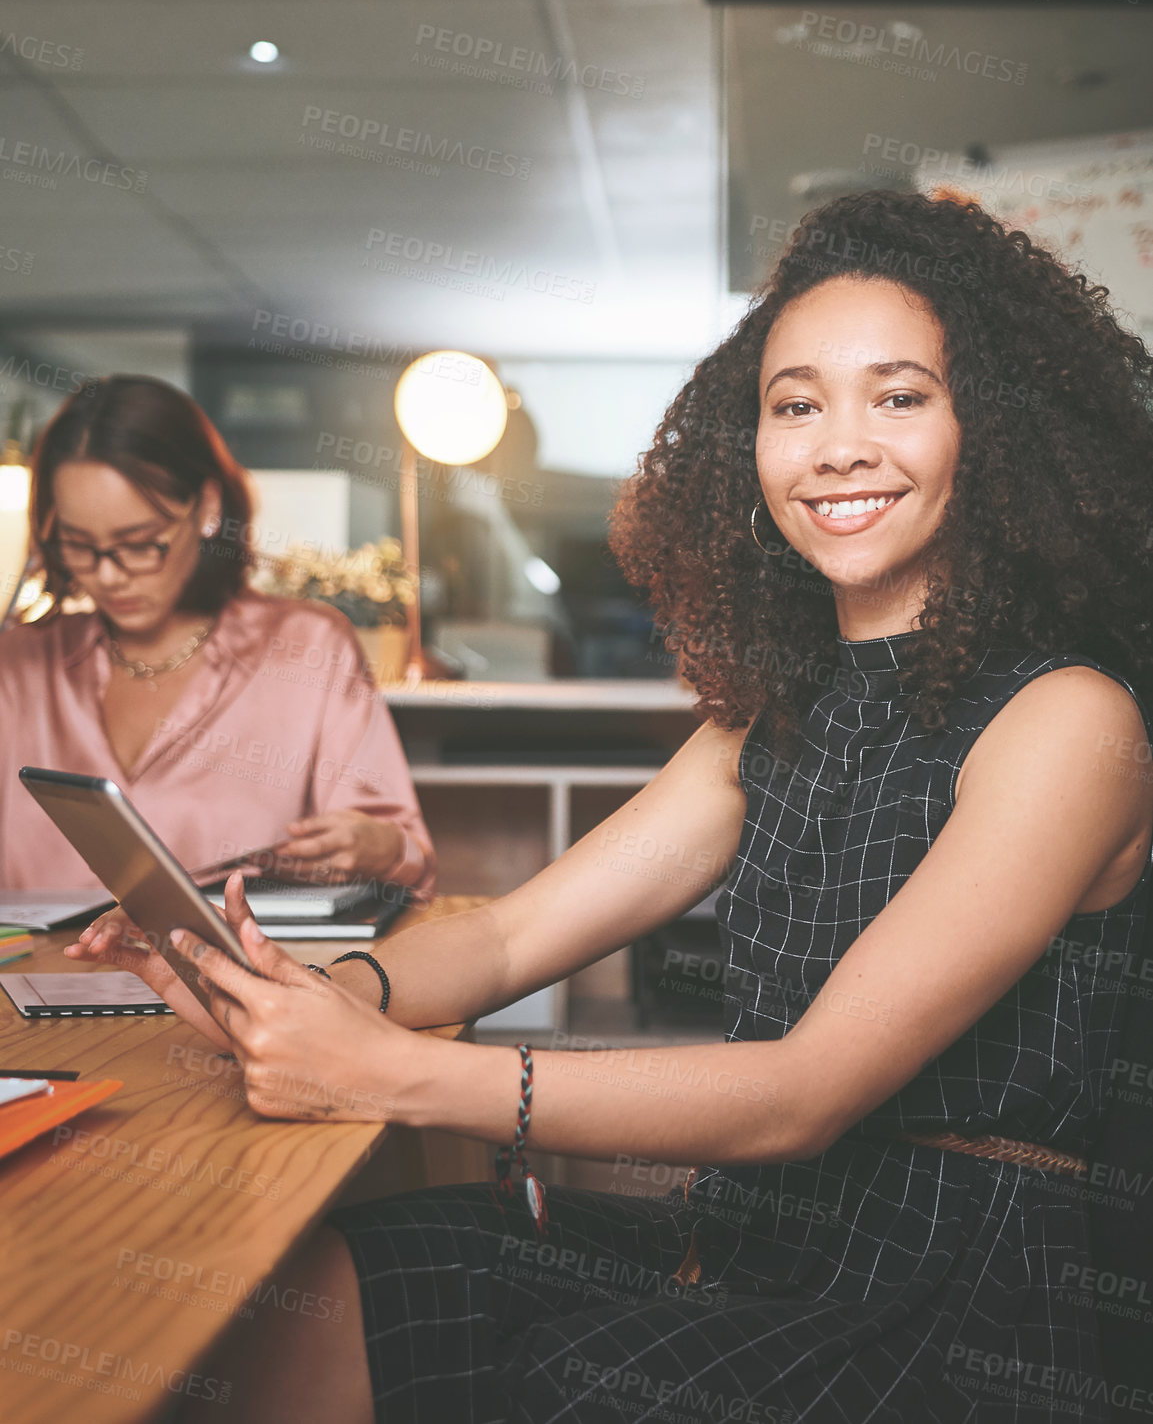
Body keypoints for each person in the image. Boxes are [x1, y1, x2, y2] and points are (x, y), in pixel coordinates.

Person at [72, 192, 1153, 1424]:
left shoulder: (1069, 723)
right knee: (325, 1283)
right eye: (795, 404)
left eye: (899, 396)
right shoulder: (771, 714)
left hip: (947, 1313)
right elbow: (507, 939)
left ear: (995, 431)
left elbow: (803, 1093)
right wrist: (300, 998)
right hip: (749, 1246)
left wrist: (385, 1077)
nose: (838, 446)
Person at [1, 374, 434, 896]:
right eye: (78, 545)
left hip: (233, 977)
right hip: (30, 978)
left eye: (139, 543)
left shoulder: (307, 649)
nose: (109, 575)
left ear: (207, 508)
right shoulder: (18, 666)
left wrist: (380, 847)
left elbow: (410, 857)